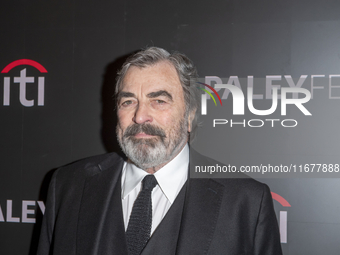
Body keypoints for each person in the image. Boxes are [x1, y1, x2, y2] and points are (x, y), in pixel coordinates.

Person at [37, 47, 282, 255]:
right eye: (128, 101)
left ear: (189, 116)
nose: (140, 116)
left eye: (159, 101)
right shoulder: (68, 185)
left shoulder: (246, 203)